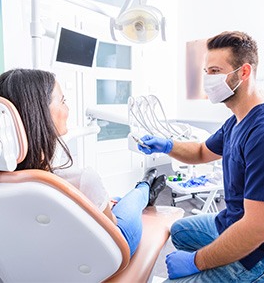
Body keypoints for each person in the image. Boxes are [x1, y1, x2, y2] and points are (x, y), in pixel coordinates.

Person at [138, 31, 264, 282]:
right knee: (179, 231)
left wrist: (196, 261)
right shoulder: (237, 121)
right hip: (233, 221)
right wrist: (167, 145)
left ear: (243, 73)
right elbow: (202, 151)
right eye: (206, 72)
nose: (207, 80)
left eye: (215, 71)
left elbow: (257, 230)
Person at [0, 68, 166, 258]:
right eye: (62, 101)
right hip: (104, 259)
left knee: (117, 201)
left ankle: (127, 196)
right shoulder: (81, 179)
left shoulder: (8, 184)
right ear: (41, 113)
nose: (67, 109)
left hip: (40, 263)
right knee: (132, 203)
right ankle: (145, 187)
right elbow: (112, 230)